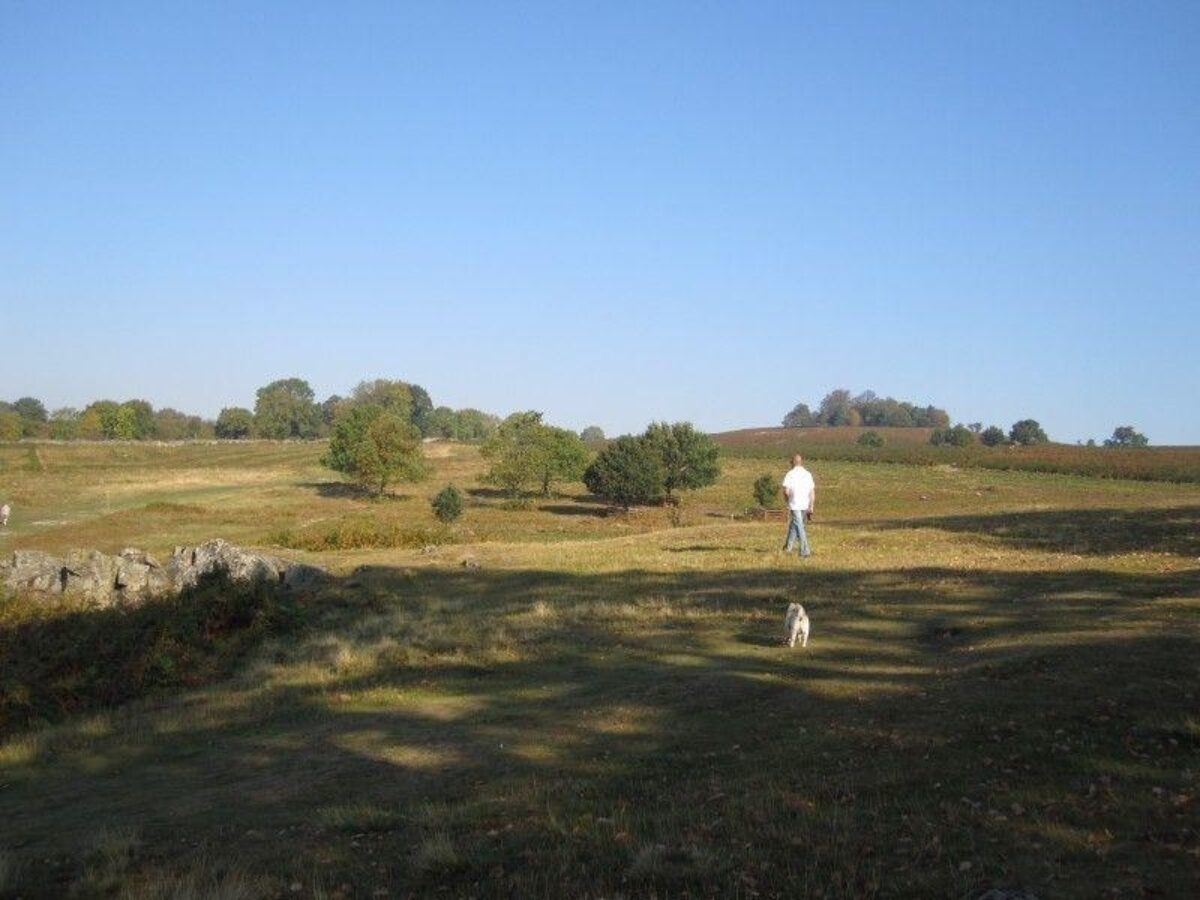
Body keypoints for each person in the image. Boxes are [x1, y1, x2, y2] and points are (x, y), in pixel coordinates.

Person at [781, 454, 814, 557]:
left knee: (799, 526)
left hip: (795, 504)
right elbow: (812, 491)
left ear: (793, 462)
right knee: (795, 525)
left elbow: (786, 491)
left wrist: (787, 501)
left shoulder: (790, 474)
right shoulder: (808, 474)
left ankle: (805, 551)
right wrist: (811, 506)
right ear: (801, 462)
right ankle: (788, 547)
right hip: (805, 504)